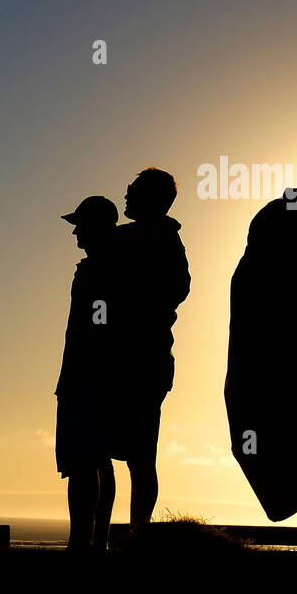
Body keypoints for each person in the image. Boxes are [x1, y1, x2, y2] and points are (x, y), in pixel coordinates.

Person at [111, 168, 191, 527]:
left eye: (133, 189)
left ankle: (135, 535)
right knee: (109, 453)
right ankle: (106, 537)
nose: (125, 194)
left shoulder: (162, 243)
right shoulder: (127, 239)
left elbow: (176, 291)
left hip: (144, 363)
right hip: (128, 361)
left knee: (139, 456)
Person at [55, 195, 120, 552]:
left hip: (87, 376)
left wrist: (88, 370)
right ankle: (96, 540)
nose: (76, 232)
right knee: (98, 460)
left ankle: (82, 542)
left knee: (83, 461)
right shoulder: (102, 267)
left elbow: (99, 323)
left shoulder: (101, 270)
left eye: (81, 224)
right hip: (88, 374)